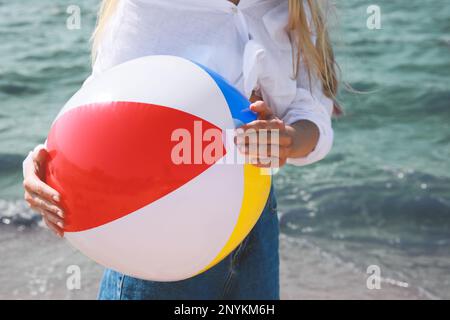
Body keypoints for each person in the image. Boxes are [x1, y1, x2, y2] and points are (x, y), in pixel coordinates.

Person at [22, 0, 339, 299]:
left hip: (254, 221)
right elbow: (102, 105)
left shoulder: (292, 7)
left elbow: (309, 111)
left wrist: (287, 140)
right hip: (157, 221)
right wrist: (46, 160)